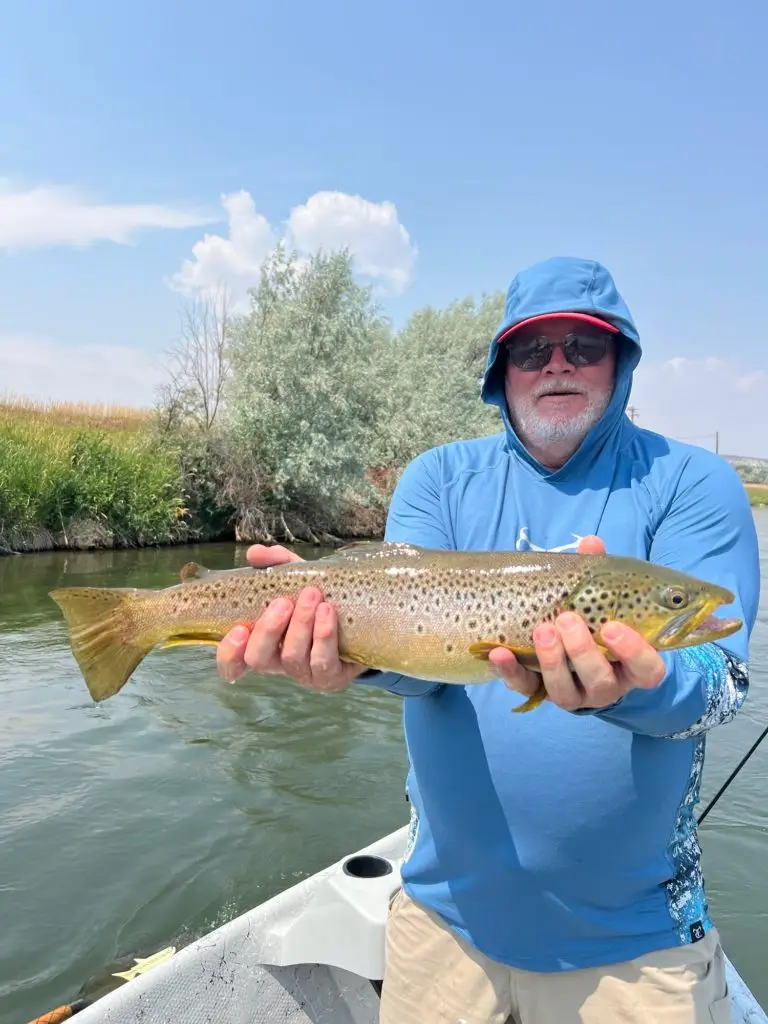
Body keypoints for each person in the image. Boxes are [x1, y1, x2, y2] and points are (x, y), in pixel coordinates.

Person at [216, 256, 760, 1024]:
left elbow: (721, 682)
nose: (558, 364)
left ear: (623, 363)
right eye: (533, 349)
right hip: (442, 928)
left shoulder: (693, 482)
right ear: (501, 370)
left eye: (586, 345)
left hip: (637, 947)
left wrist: (647, 682)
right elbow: (427, 669)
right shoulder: (438, 479)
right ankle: (144, 618)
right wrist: (350, 660)